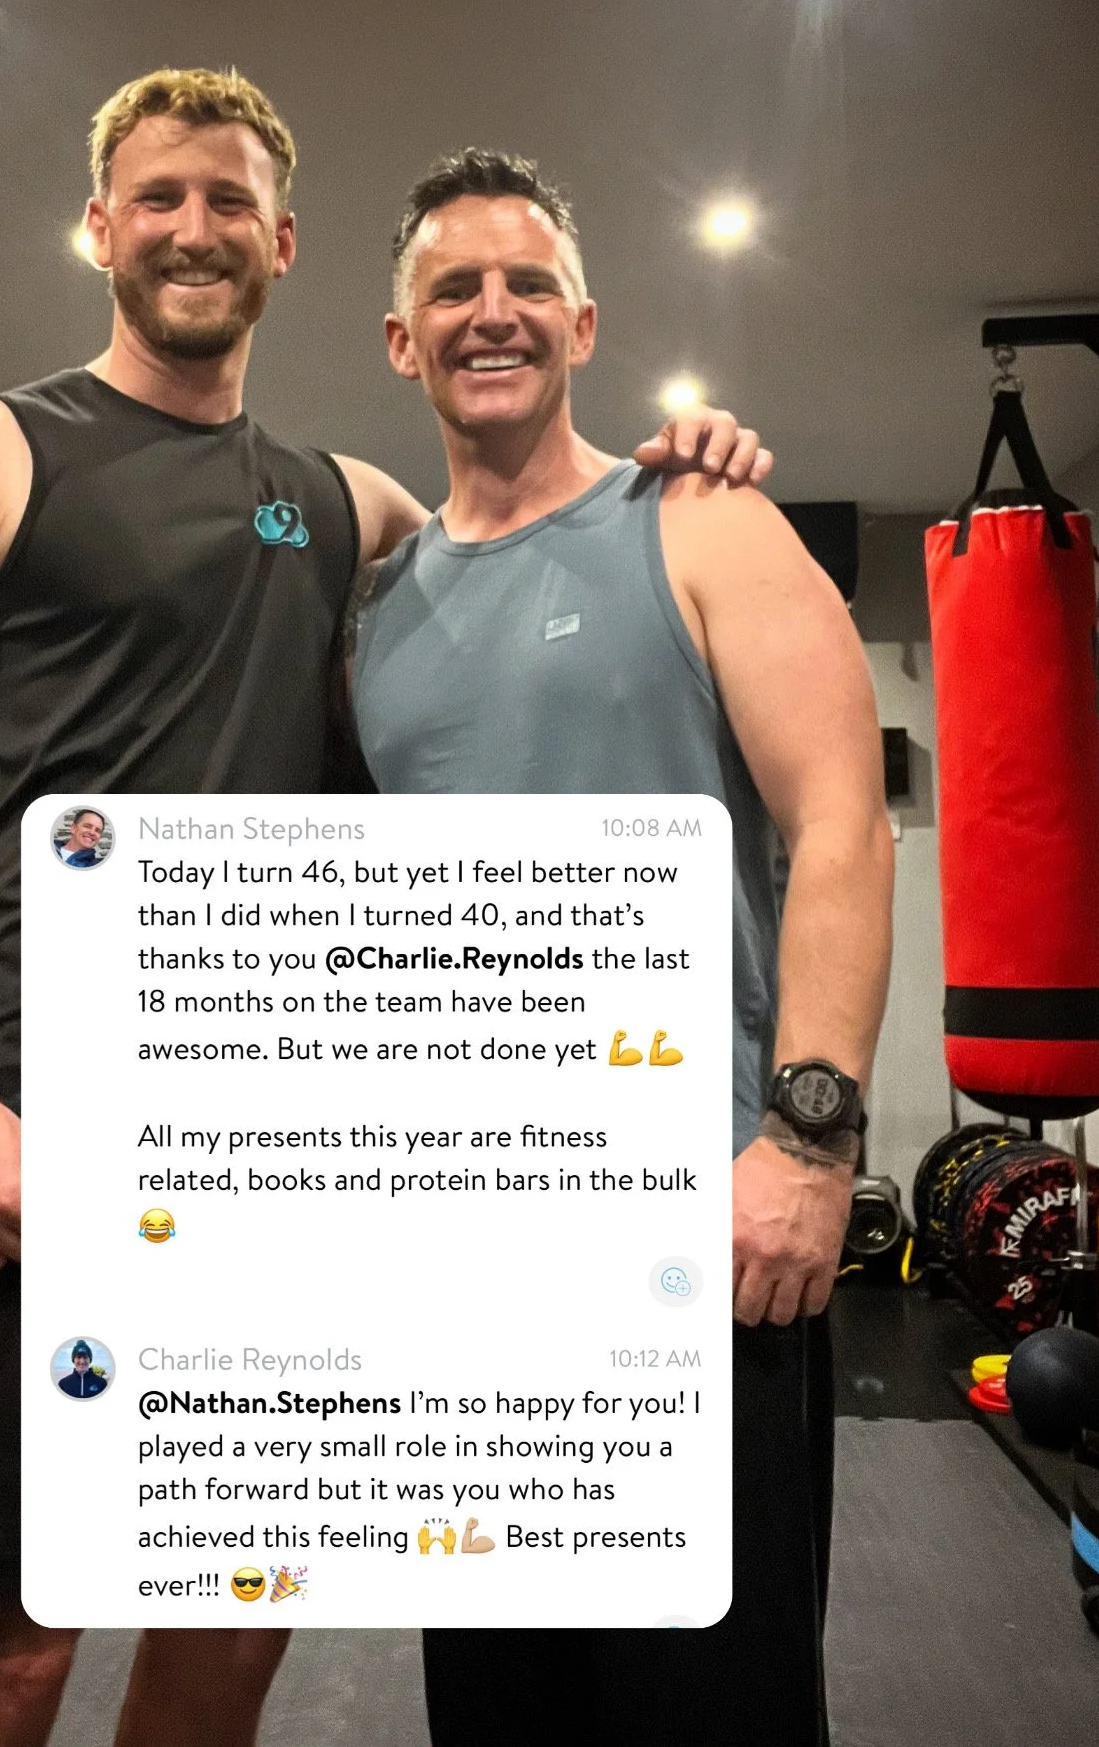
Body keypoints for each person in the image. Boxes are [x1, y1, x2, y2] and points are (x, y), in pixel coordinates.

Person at [0, 67, 767, 1747]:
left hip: (277, 1159)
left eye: (229, 200)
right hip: (32, 1131)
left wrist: (685, 464)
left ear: (284, 241)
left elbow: (531, 521)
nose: (194, 227)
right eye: (160, 196)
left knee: (230, 1633)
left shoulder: (343, 506)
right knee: (11, 1654)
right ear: (101, 226)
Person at [351, 149, 894, 1747]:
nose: (491, 314)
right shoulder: (374, 607)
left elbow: (844, 833)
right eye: (453, 289)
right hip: (466, 1252)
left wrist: (809, 1145)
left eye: (527, 286)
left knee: (704, 1705)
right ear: (402, 340)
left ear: (584, 324)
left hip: (698, 1233)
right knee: (503, 1703)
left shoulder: (705, 522)